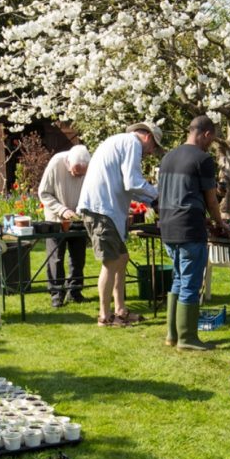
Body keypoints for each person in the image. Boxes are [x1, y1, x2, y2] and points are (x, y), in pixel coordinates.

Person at [77, 122, 161, 327]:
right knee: (111, 262)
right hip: (102, 210)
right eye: (154, 148)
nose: (150, 153)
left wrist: (151, 201)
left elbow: (128, 184)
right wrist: (158, 196)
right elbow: (132, 182)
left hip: (105, 210)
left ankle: (120, 310)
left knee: (122, 258)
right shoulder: (132, 143)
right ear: (148, 137)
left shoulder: (120, 141)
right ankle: (105, 317)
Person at [158, 116, 226, 351]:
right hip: (189, 231)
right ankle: (187, 339)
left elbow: (174, 196)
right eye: (212, 138)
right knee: (190, 283)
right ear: (206, 134)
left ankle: (172, 335)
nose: (211, 144)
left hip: (168, 228)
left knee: (178, 279)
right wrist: (219, 223)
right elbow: (211, 199)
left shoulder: (167, 157)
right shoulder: (203, 159)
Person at [38, 145, 91, 307]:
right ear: (68, 163)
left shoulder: (88, 166)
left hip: (78, 218)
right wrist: (62, 210)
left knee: (78, 257)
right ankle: (56, 293)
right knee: (56, 257)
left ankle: (74, 291)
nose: (77, 176)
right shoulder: (56, 163)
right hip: (56, 219)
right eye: (75, 172)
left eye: (81, 173)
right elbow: (44, 193)